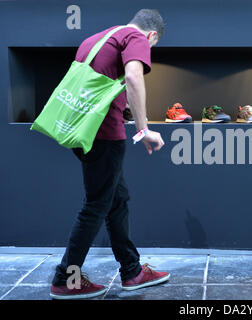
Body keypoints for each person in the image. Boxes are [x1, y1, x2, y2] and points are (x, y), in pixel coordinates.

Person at [50, 9, 169, 300]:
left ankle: (132, 271)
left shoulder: (96, 38)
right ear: (151, 35)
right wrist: (143, 129)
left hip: (80, 130)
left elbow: (96, 84)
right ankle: (66, 278)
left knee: (117, 199)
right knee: (97, 204)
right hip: (103, 135)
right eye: (151, 46)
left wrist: (123, 107)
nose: (148, 50)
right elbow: (133, 75)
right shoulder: (136, 37)